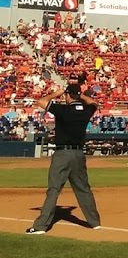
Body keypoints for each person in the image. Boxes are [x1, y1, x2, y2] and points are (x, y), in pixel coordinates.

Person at [25, 79, 102, 235]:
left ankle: (41, 226)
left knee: (54, 189)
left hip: (63, 154)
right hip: (79, 154)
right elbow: (94, 103)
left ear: (68, 95)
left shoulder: (63, 110)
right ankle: (94, 222)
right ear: (78, 96)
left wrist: (57, 93)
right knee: (83, 189)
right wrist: (80, 96)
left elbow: (41, 102)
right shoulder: (86, 110)